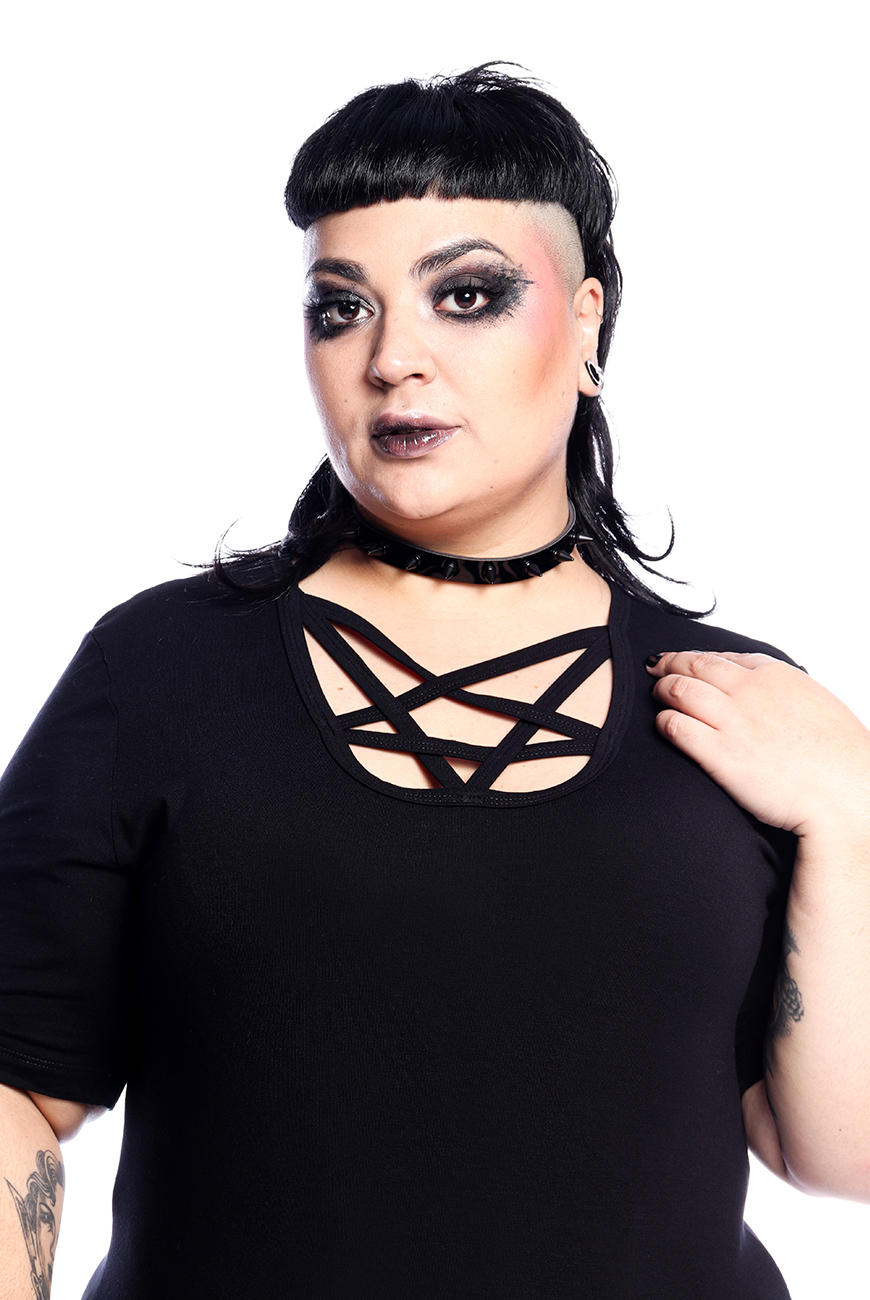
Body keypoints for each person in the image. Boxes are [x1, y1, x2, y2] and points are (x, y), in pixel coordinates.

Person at [0, 64, 868, 1299]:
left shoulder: (747, 712)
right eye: (340, 308)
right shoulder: (158, 673)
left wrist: (853, 812)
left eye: (466, 295)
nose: (392, 357)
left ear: (587, 324)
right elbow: (21, 1088)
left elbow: (837, 1156)